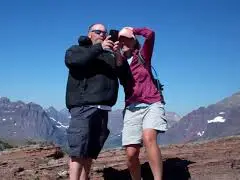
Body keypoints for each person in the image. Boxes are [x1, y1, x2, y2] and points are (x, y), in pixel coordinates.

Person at [64, 23, 125, 180]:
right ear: (89, 34)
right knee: (78, 151)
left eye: (104, 32)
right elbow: (75, 61)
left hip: (103, 109)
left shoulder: (108, 55)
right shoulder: (77, 50)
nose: (102, 34)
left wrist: (117, 54)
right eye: (98, 32)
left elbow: (121, 73)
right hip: (83, 107)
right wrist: (99, 48)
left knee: (90, 153)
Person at [117, 26, 168, 180]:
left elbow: (151, 34)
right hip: (132, 108)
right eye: (121, 39)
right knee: (131, 153)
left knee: (148, 138)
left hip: (152, 103)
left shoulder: (142, 55)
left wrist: (133, 30)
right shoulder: (119, 61)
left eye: (127, 38)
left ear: (134, 41)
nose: (123, 41)